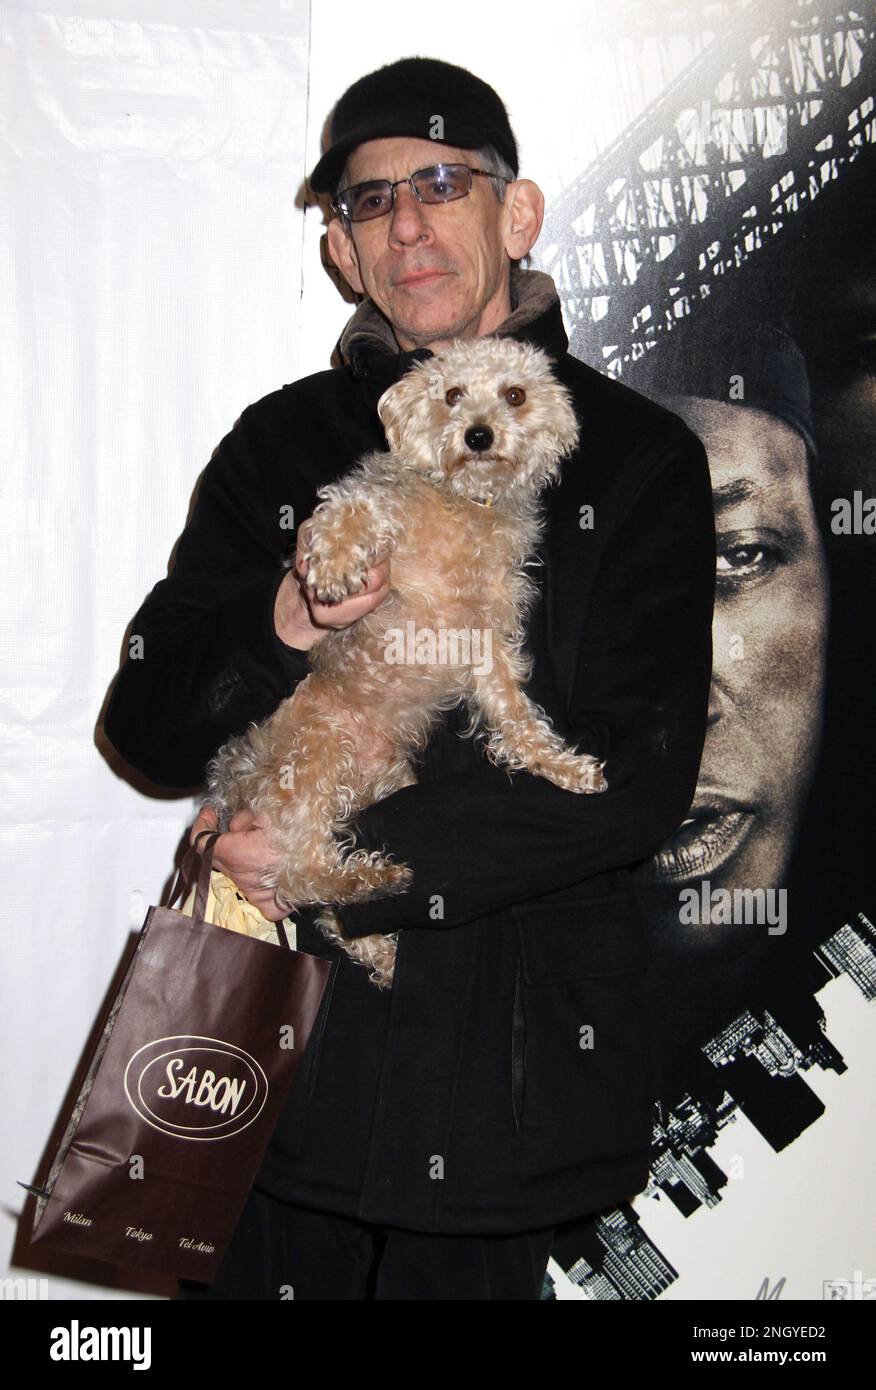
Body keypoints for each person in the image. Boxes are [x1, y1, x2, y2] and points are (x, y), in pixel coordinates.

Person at [102, 56, 715, 1300]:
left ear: (518, 212)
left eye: (441, 184)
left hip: (510, 1094)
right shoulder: (280, 444)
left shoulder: (641, 458)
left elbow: (635, 781)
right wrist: (278, 620)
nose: (409, 225)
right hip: (275, 1074)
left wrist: (342, 858)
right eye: (371, 202)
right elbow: (151, 732)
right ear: (340, 250)